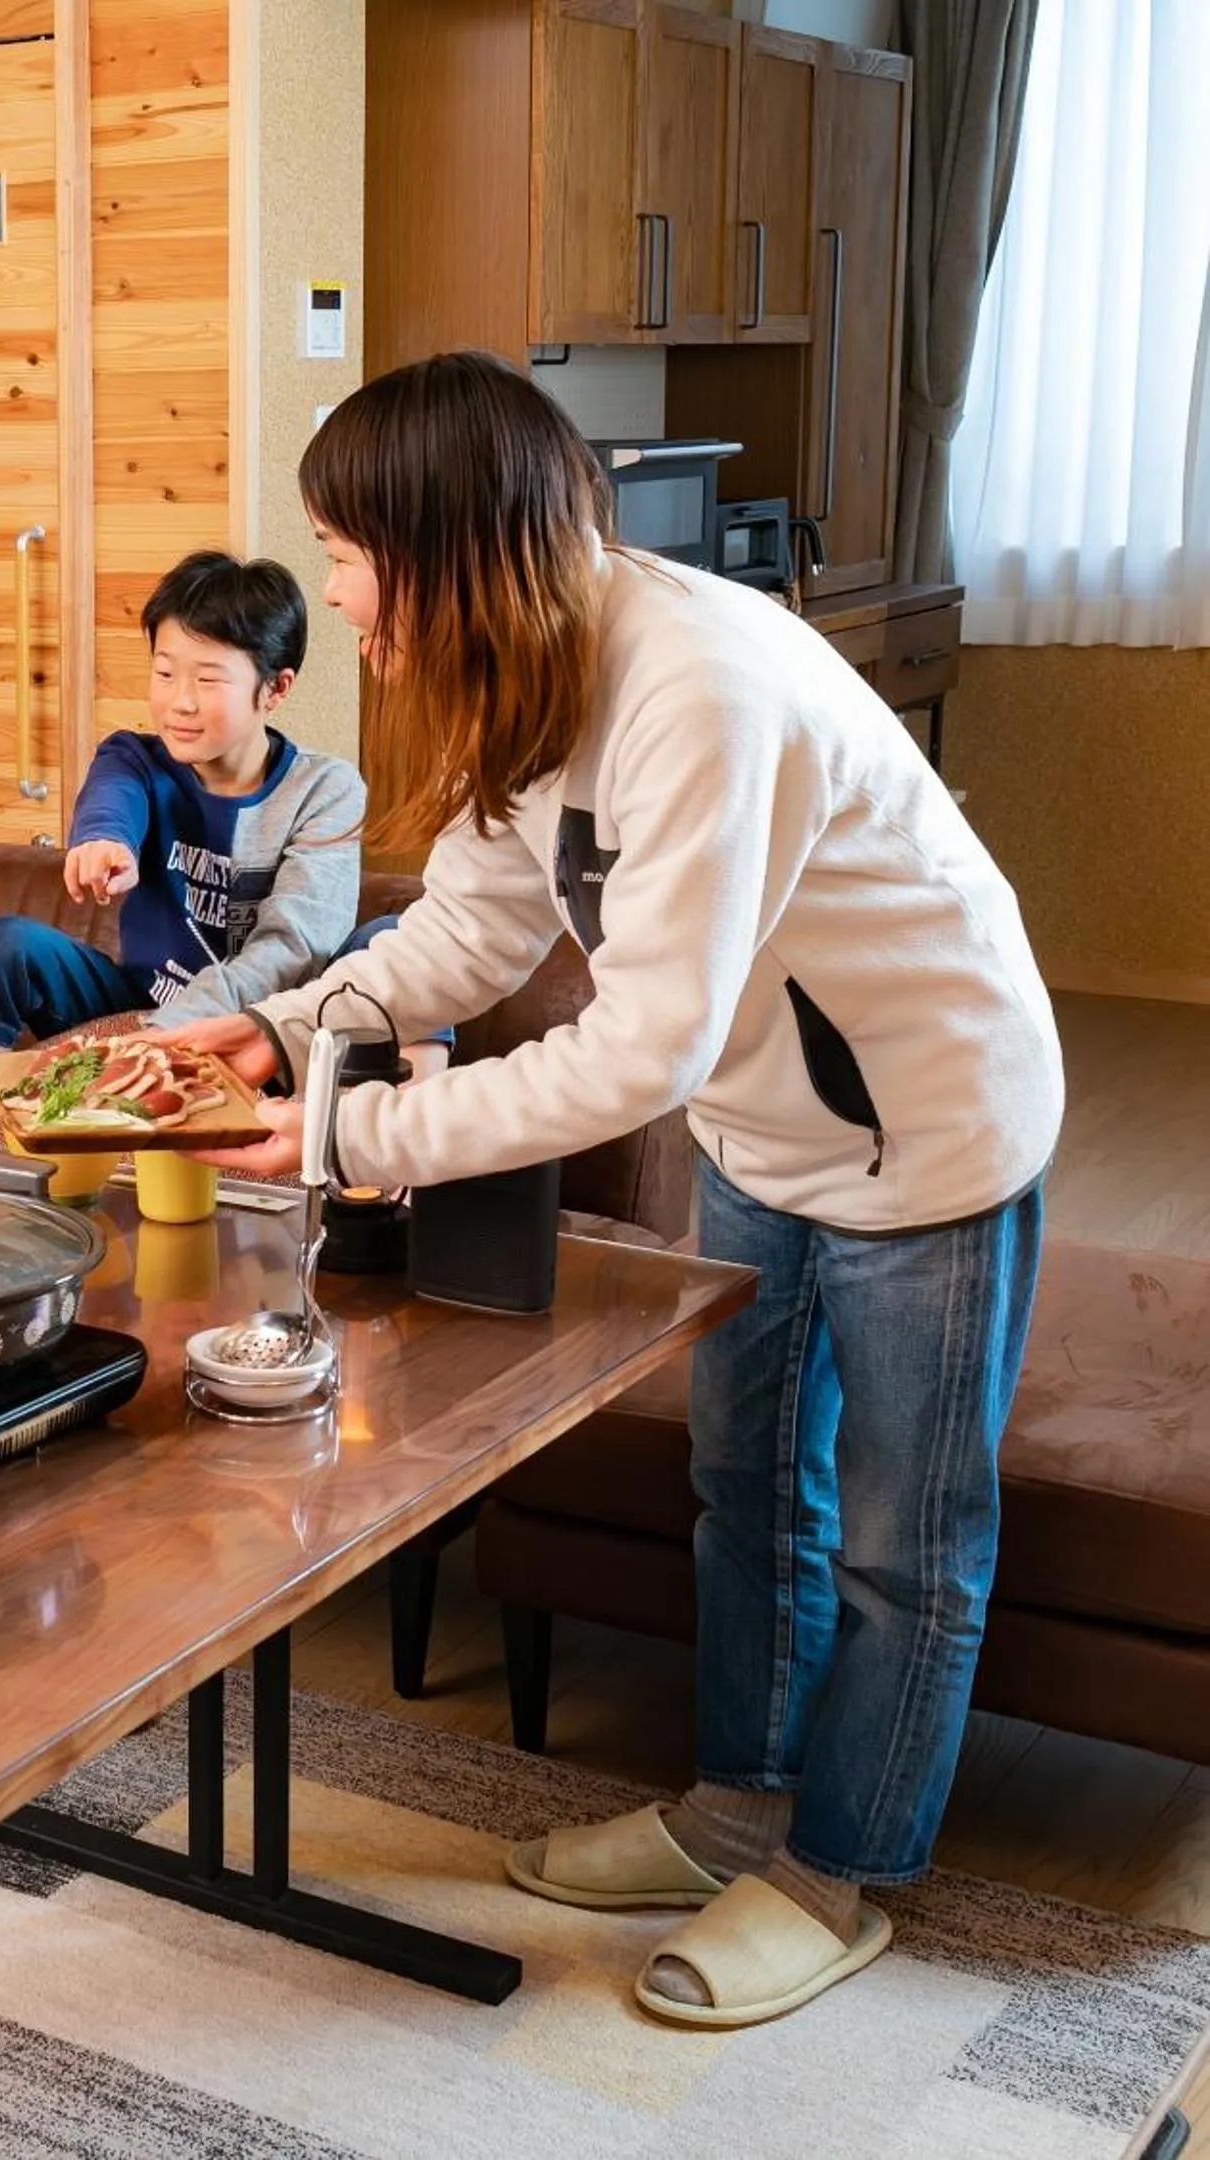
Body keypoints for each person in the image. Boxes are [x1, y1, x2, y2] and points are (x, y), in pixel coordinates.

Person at [177, 352, 1060, 2028]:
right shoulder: (541, 668)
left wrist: (346, 1139)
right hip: (768, 1133)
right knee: (747, 1490)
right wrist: (281, 1032)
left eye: (347, 553)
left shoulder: (701, 691)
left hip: (933, 1131)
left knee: (903, 1547)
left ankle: (838, 1874)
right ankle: (739, 1808)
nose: (341, 598)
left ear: (445, 542)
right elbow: (471, 930)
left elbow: (634, 1053)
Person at [0, 551, 366, 1166]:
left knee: (386, 944)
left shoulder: (326, 791)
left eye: (207, 680)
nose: (179, 702)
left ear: (275, 689)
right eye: (164, 673)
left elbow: (293, 948)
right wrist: (104, 841)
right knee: (4, 948)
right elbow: (112, 798)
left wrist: (170, 1034)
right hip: (140, 1009)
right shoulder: (137, 758)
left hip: (268, 1034)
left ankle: (394, 1196)